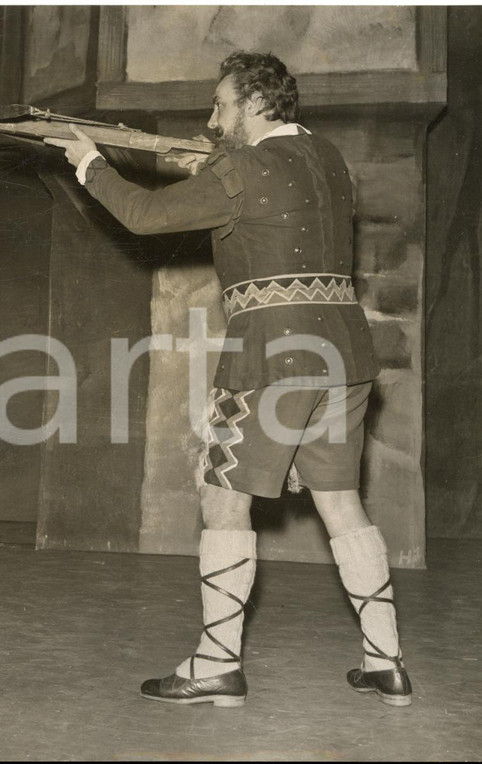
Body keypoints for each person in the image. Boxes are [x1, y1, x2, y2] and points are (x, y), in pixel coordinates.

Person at [46, 51, 411, 708]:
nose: (212, 122)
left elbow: (144, 215)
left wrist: (89, 163)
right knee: (341, 503)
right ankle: (386, 661)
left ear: (257, 103)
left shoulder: (240, 168)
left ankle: (216, 664)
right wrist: (211, 168)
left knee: (222, 501)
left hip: (273, 359)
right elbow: (271, 204)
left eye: (220, 106)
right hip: (346, 358)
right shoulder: (329, 159)